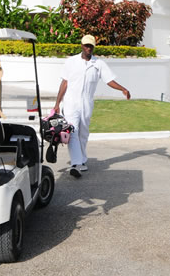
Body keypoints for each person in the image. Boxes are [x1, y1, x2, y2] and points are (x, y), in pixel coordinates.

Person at [53, 35, 131, 178]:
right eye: (86, 46)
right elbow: (64, 83)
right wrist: (57, 103)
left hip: (87, 103)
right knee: (73, 131)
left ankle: (82, 160)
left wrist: (123, 89)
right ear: (81, 45)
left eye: (91, 46)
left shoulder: (98, 64)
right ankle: (75, 164)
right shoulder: (71, 62)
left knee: (83, 133)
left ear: (94, 47)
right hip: (71, 103)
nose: (88, 48)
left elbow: (109, 80)